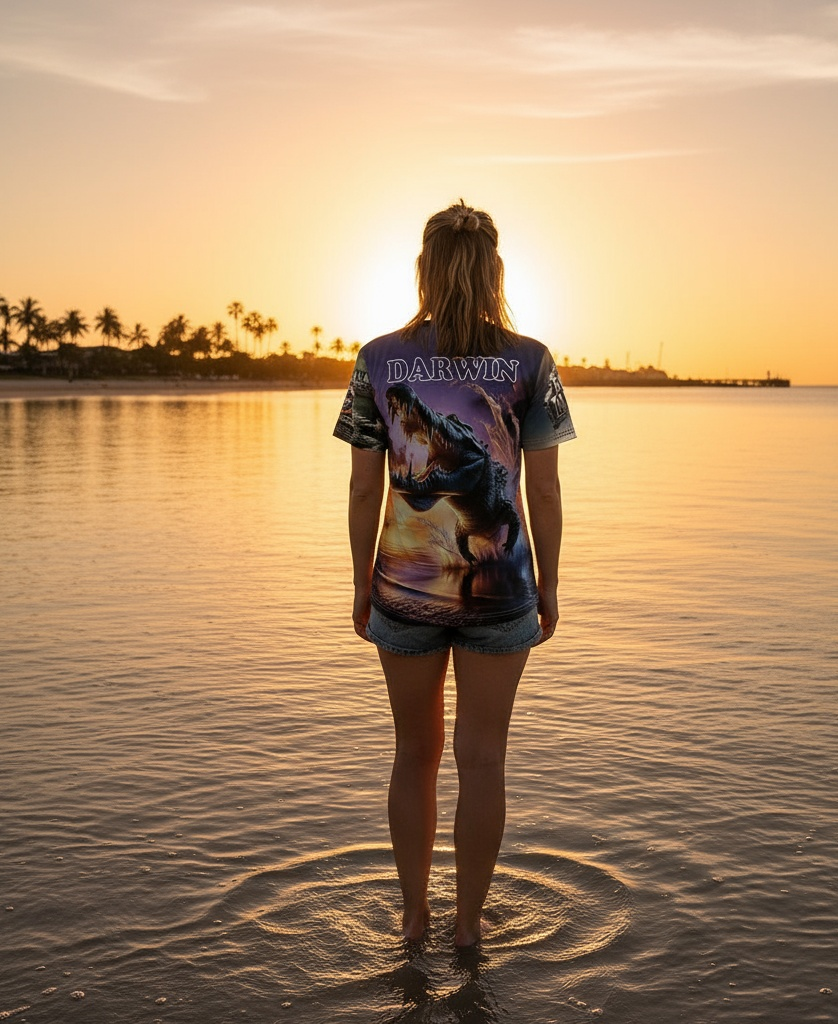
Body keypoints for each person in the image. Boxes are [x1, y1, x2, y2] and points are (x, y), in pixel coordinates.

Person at [333, 200, 576, 947]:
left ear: (424, 270)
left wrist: (357, 581)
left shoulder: (378, 357)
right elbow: (542, 489)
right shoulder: (530, 359)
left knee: (414, 754)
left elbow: (365, 488)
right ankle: (469, 928)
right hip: (501, 588)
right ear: (495, 268)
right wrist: (552, 583)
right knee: (483, 757)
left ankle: (413, 917)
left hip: (402, 589)